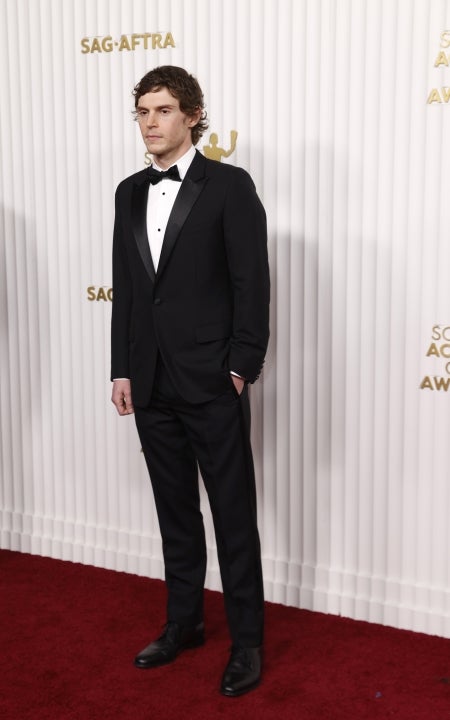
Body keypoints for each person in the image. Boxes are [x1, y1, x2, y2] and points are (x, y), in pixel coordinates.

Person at [110, 65, 270, 697]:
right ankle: (185, 622)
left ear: (193, 115)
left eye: (163, 110)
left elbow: (251, 283)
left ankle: (248, 641)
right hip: (151, 382)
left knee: (233, 515)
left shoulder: (230, 186)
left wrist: (240, 368)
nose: (150, 123)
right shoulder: (128, 191)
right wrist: (122, 367)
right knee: (174, 511)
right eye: (142, 112)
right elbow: (128, 289)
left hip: (211, 382)